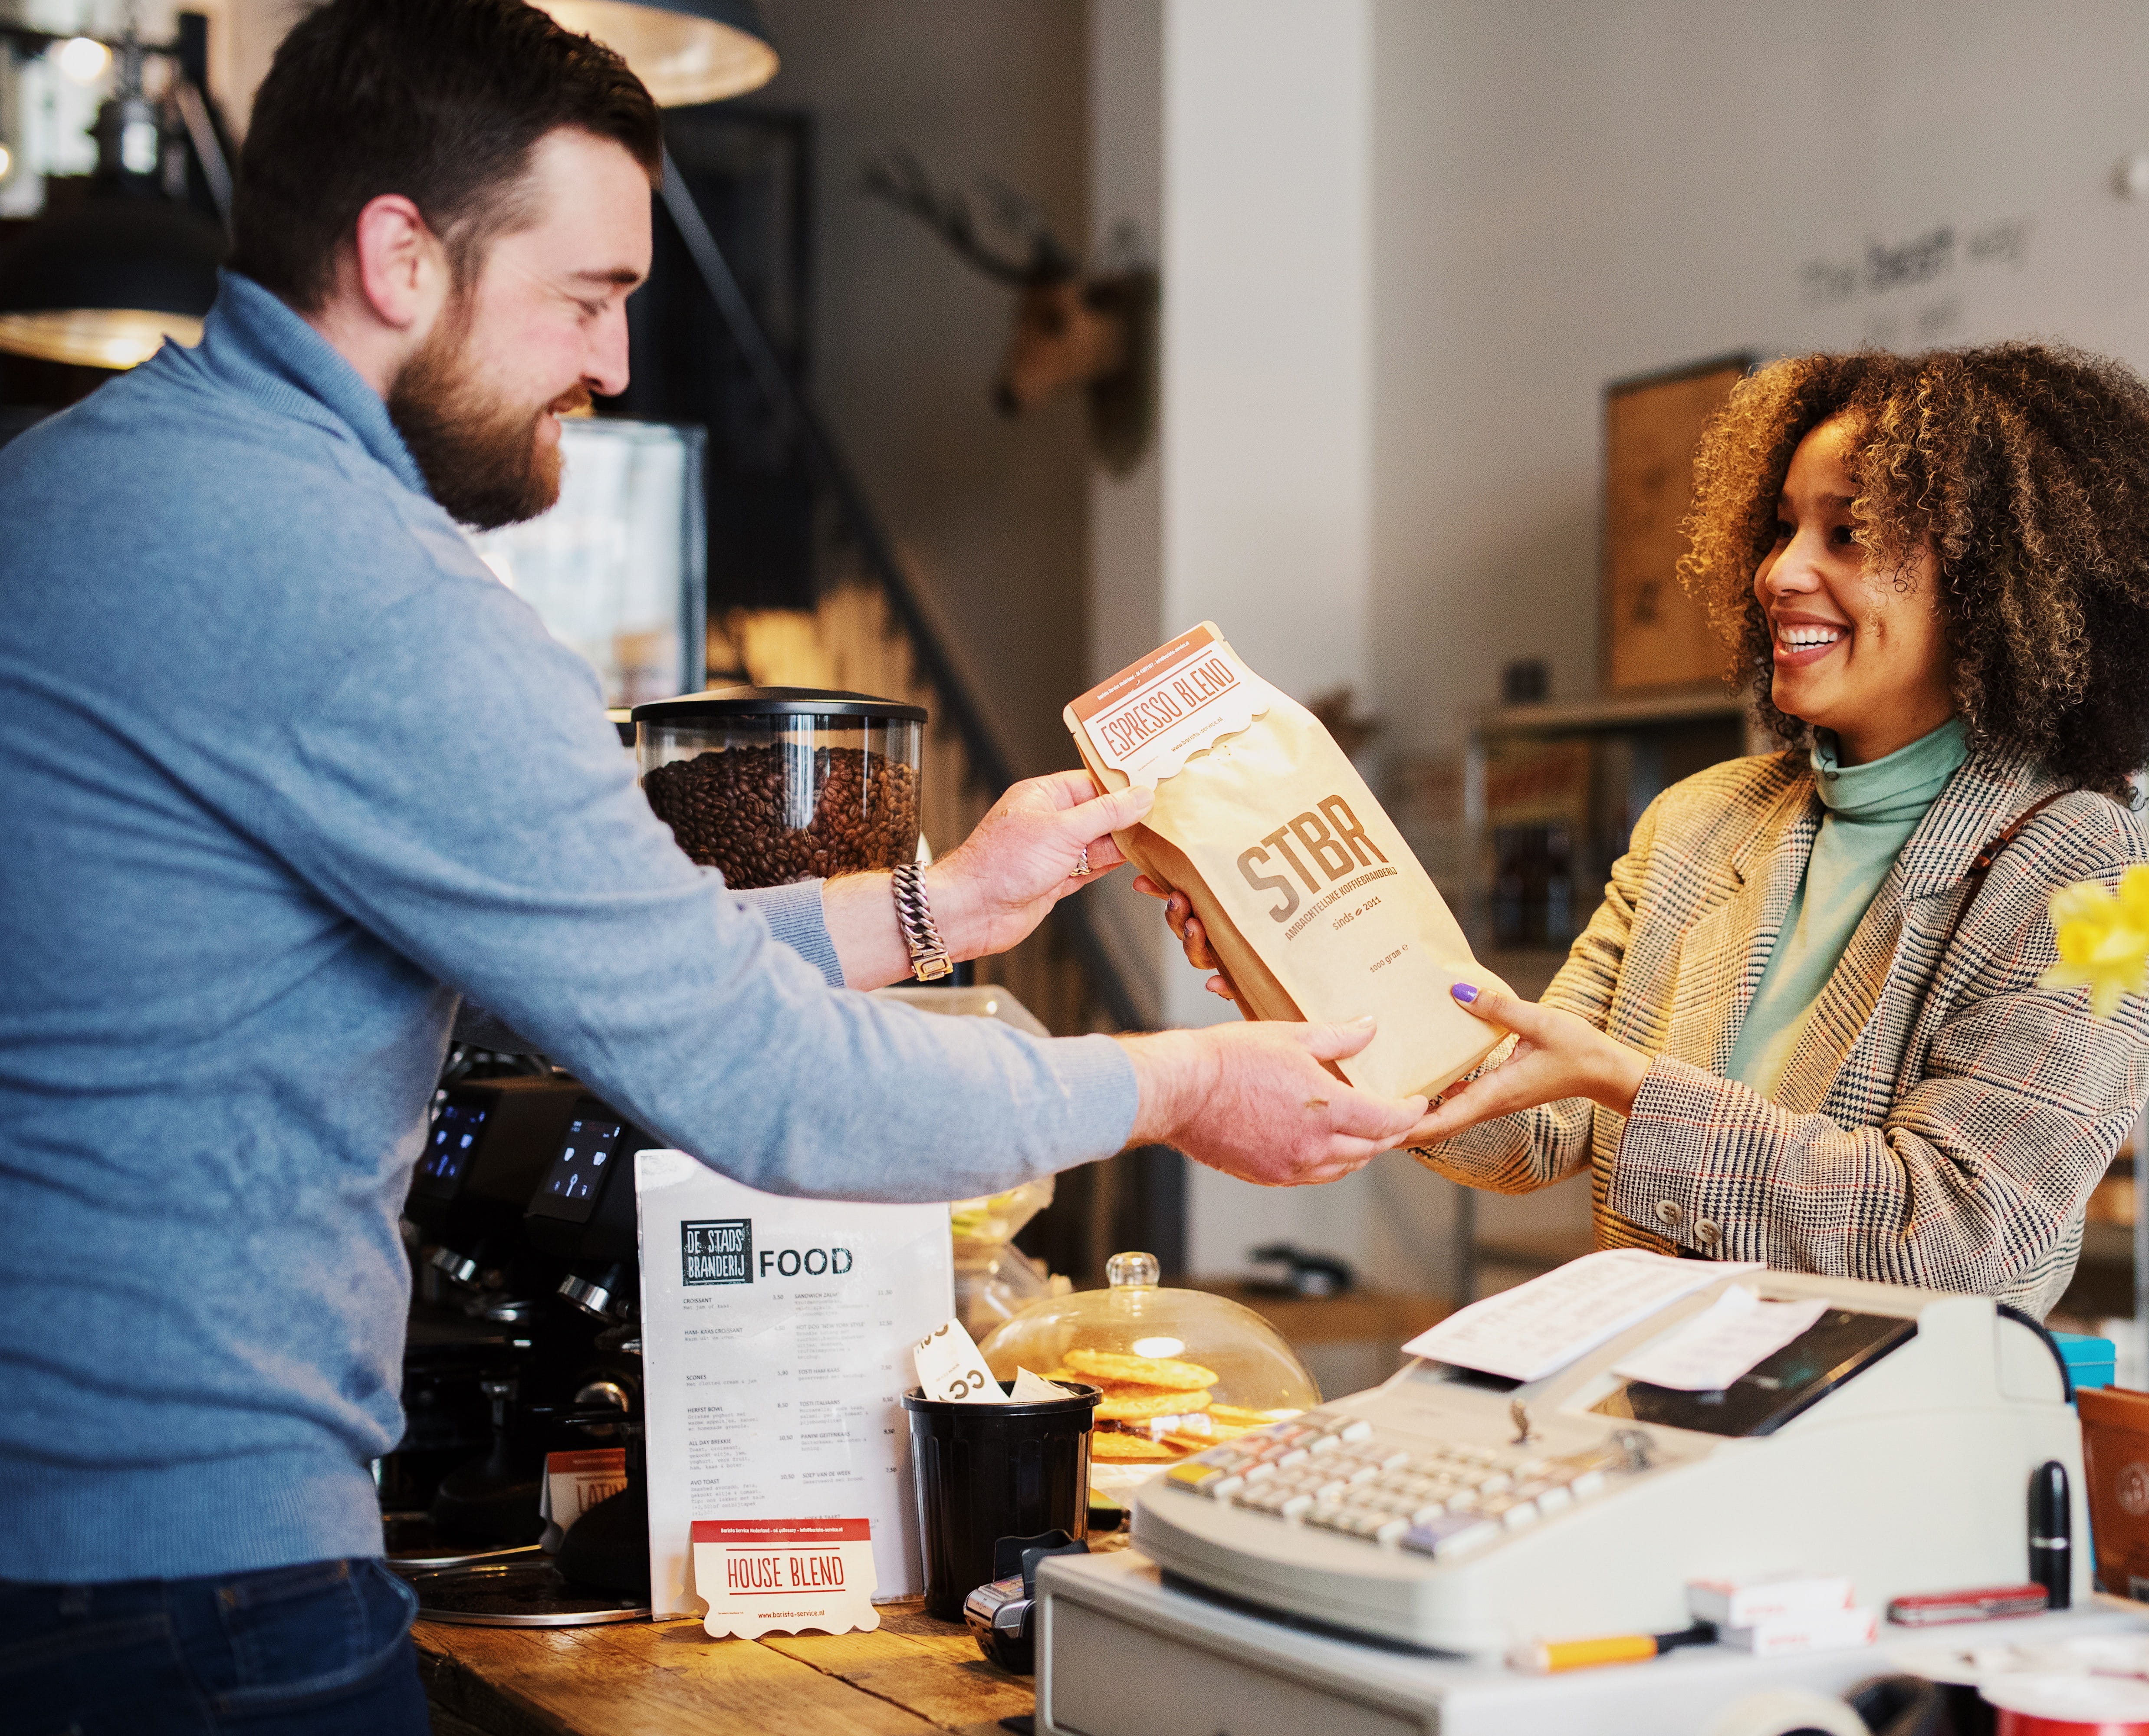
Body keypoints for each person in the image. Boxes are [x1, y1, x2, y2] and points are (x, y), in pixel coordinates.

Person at [0, 3, 1420, 1728]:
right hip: (183, 1595)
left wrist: (939, 907)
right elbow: (764, 1084)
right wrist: (1179, 1082)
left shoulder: (72, 490)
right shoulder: (371, 598)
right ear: (399, 258)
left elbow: (588, 950)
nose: (613, 366)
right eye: (589, 297)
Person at [1154, 344, 2149, 1315]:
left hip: (1881, 1474)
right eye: (1781, 527)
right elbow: (1535, 1121)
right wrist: (1294, 961)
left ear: (1990, 583)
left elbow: (1959, 1231)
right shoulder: (1700, 819)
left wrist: (1631, 1085)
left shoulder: (2083, 866)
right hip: (1655, 1434)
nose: (1781, 572)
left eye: (1847, 532)